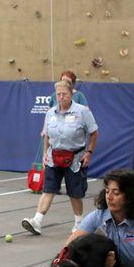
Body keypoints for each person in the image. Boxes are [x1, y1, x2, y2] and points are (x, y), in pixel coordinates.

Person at [23, 80, 99, 236]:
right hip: (54, 157)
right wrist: (45, 153)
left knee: (75, 192)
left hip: (75, 158)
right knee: (48, 189)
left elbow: (94, 133)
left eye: (64, 94)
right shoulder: (50, 113)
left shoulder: (82, 111)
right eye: (58, 94)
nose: (61, 97)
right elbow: (46, 135)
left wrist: (89, 153)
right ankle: (37, 221)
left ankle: (79, 224)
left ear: (72, 94)